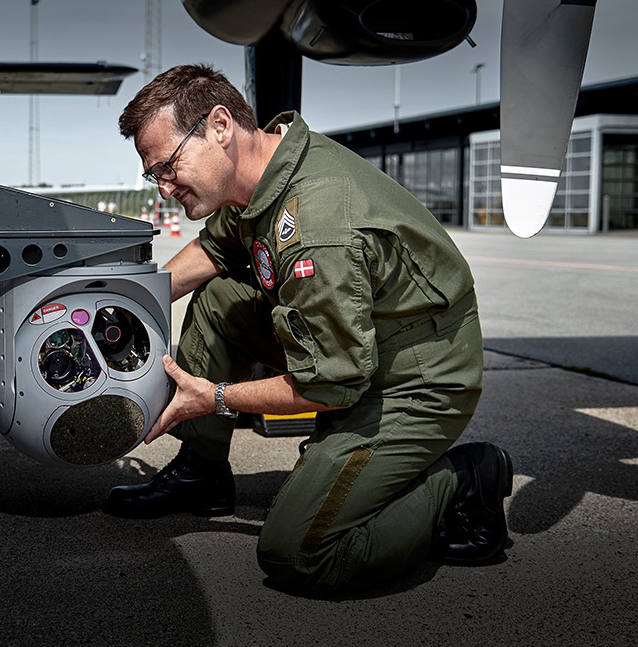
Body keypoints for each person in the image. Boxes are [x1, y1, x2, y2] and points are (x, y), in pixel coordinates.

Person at [103, 64, 513, 597]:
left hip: (414, 383)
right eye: (152, 174)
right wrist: (123, 305)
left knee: (300, 553)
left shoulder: (318, 227)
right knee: (222, 300)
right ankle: (201, 472)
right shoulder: (265, 170)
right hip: (361, 351)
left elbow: (329, 384)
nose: (162, 188)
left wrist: (217, 397)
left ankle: (459, 479)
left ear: (220, 126)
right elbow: (215, 249)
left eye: (167, 166)